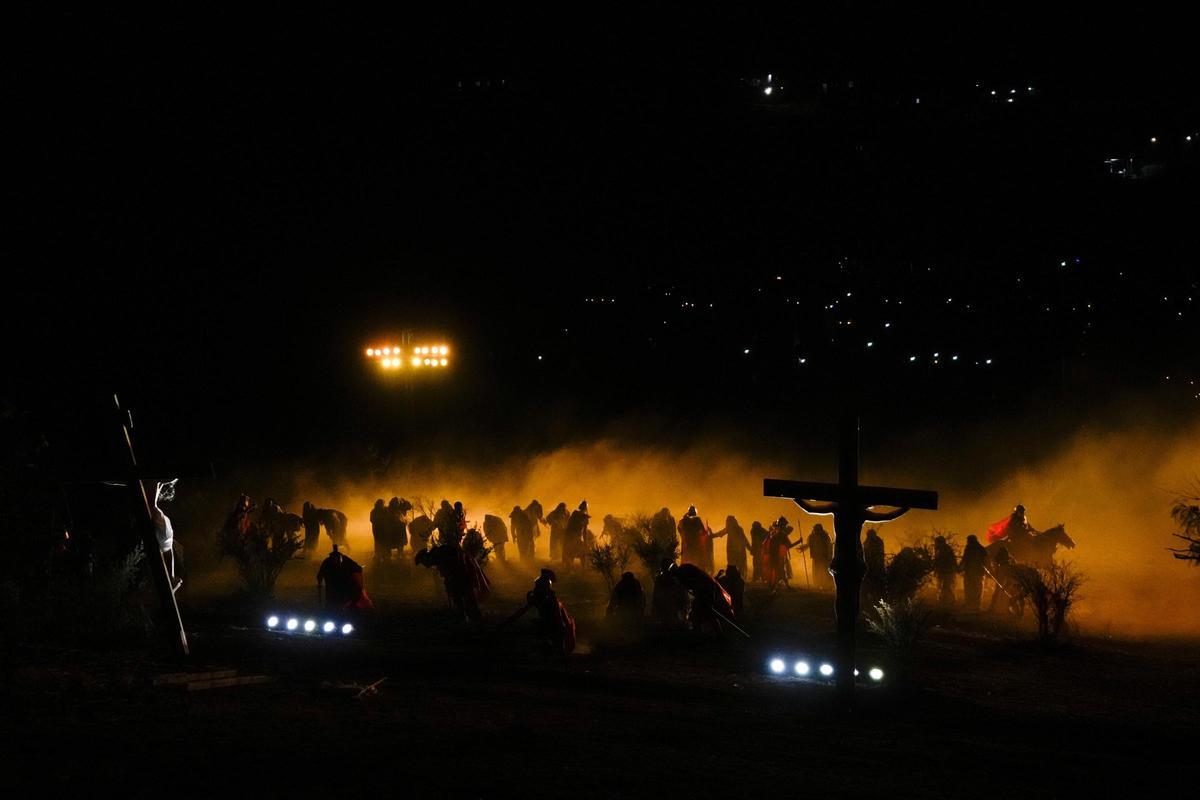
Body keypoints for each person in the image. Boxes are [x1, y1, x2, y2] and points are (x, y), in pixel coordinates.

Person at [503, 569, 576, 656]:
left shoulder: (552, 600)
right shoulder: (539, 597)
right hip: (550, 625)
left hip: (557, 626)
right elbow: (522, 611)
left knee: (559, 650)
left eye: (539, 587)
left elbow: (559, 619)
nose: (536, 589)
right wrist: (506, 622)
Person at [415, 544, 490, 621]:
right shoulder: (439, 554)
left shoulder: (440, 554)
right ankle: (469, 616)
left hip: (463, 573)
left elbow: (453, 569)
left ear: (425, 557)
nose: (426, 565)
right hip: (462, 573)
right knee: (464, 595)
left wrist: (450, 581)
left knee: (465, 595)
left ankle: (471, 617)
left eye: (424, 562)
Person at [669, 563, 735, 635]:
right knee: (706, 613)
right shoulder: (685, 569)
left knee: (701, 613)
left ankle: (703, 634)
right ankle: (714, 633)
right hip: (705, 590)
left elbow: (691, 584)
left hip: (706, 591)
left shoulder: (683, 572)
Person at [317, 545, 374, 611]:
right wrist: (320, 582)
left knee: (342, 599)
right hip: (331, 585)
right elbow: (320, 574)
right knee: (332, 600)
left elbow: (357, 568)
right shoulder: (327, 562)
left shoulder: (345, 560)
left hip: (343, 584)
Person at [761, 517, 802, 591]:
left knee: (774, 570)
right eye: (785, 525)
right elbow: (789, 546)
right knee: (780, 570)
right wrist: (799, 541)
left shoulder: (773, 532)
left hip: (772, 554)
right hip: (777, 555)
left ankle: (773, 586)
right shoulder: (782, 534)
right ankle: (778, 586)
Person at [652, 558, 687, 626]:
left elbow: (656, 595)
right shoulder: (675, 580)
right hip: (670, 609)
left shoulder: (660, 580)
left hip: (669, 609)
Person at [677, 506, 711, 573]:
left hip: (687, 543)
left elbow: (679, 528)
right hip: (695, 543)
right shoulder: (697, 520)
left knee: (686, 558)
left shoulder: (684, 520)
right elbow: (703, 531)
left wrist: (683, 535)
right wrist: (707, 532)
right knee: (696, 560)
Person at [960, 534, 989, 610]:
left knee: (975, 588)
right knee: (972, 588)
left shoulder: (978, 549)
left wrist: (960, 567)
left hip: (977, 572)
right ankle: (971, 603)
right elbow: (964, 559)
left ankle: (975, 604)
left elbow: (986, 561)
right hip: (971, 571)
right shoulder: (975, 548)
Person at [861, 527, 885, 604]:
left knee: (875, 581)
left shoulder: (878, 541)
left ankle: (877, 597)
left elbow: (879, 554)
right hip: (869, 565)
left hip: (876, 565)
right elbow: (864, 551)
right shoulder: (869, 541)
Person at [563, 501, 590, 568]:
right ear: (586, 508)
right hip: (575, 537)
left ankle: (569, 569)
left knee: (571, 553)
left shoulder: (574, 514)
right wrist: (586, 542)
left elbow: (568, 526)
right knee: (582, 553)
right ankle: (582, 568)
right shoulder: (584, 517)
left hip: (570, 536)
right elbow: (584, 532)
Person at [933, 535, 958, 606]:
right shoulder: (942, 549)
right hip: (944, 570)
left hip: (947, 571)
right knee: (944, 586)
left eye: (936, 542)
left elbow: (943, 561)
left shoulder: (945, 549)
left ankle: (950, 600)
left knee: (946, 586)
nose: (935, 544)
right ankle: (945, 600)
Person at [807, 523, 834, 590]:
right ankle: (818, 584)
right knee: (817, 571)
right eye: (815, 529)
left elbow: (829, 546)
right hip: (816, 556)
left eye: (817, 529)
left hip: (824, 556)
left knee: (826, 571)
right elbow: (809, 544)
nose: (816, 531)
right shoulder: (812, 536)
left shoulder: (825, 536)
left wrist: (829, 556)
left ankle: (829, 585)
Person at [370, 499, 389, 564]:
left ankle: (382, 555)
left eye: (382, 504)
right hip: (377, 529)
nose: (382, 505)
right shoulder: (374, 511)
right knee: (378, 542)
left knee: (381, 541)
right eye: (381, 504)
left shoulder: (384, 510)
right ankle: (378, 556)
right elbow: (372, 520)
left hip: (380, 529)